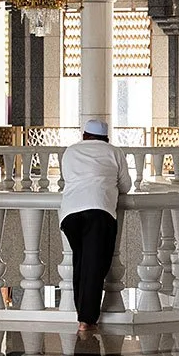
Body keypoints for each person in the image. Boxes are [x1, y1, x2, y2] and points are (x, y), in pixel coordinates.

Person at [59, 119, 123, 330]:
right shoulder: (114, 152)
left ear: (84, 135)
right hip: (99, 212)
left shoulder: (70, 152)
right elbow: (126, 185)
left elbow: (67, 178)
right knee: (95, 266)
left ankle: (83, 313)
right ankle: (86, 320)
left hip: (70, 215)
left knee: (81, 262)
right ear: (106, 138)